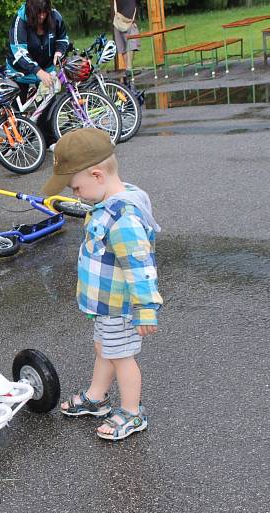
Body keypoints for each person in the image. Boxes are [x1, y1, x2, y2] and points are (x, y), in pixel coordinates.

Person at [42, 129, 162, 441]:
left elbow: (140, 266)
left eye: (77, 187)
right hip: (105, 304)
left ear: (97, 175)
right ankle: (97, 397)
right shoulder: (106, 206)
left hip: (120, 306)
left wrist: (146, 309)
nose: (76, 194)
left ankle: (132, 412)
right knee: (104, 348)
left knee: (122, 356)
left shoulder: (123, 220)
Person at [5, 0, 70, 103]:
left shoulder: (55, 16)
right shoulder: (19, 22)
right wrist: (38, 71)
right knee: (17, 114)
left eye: (45, 12)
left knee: (47, 113)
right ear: (30, 11)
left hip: (47, 71)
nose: (42, 16)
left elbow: (62, 38)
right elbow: (20, 53)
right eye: (38, 13)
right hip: (20, 73)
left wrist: (59, 51)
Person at [111, 0, 140, 82]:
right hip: (126, 20)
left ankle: (128, 69)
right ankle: (129, 68)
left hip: (118, 20)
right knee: (131, 44)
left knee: (124, 45)